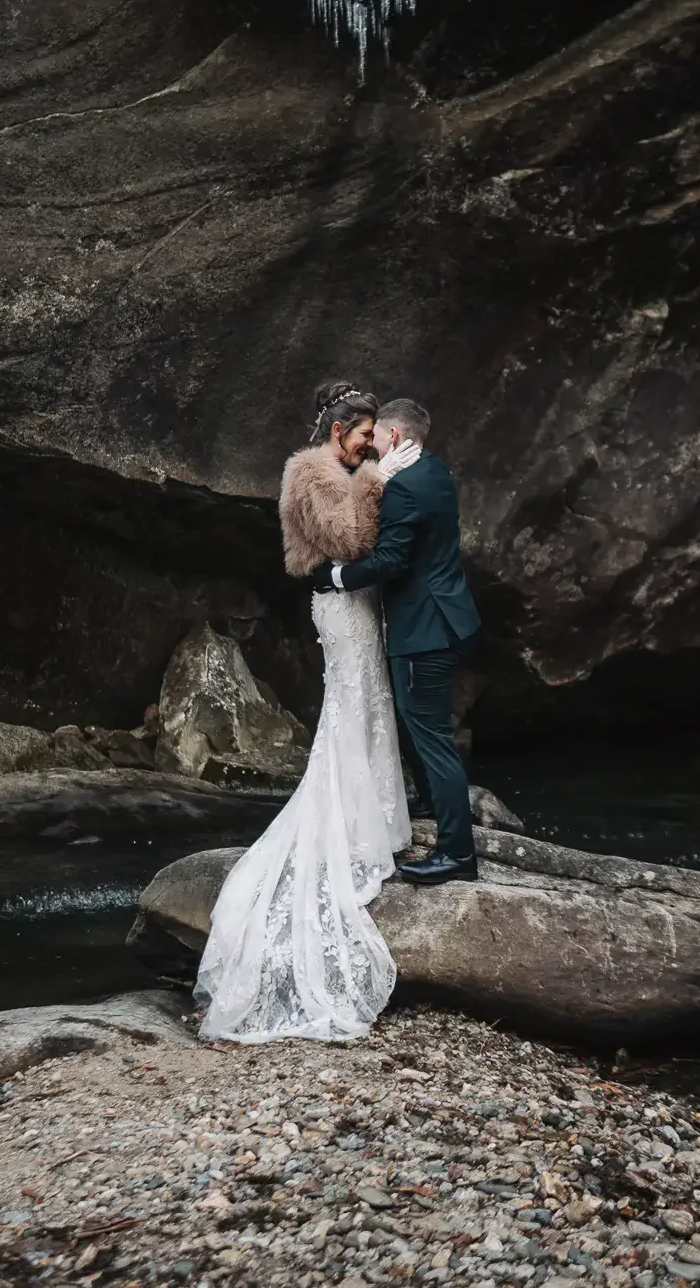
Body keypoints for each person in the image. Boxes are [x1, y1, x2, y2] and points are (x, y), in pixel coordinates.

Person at [193, 383, 412, 1043]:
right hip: (339, 608)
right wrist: (379, 480)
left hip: (359, 603)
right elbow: (349, 540)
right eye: (364, 433)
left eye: (374, 434)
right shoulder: (309, 474)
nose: (370, 442)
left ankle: (373, 810)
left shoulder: (340, 469)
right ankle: (344, 818)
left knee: (372, 702)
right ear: (339, 430)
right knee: (350, 705)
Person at [319, 397, 484, 884]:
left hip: (424, 632)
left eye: (377, 439)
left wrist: (338, 576)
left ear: (394, 437)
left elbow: (391, 560)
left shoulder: (405, 487)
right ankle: (436, 813)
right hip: (448, 619)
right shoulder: (434, 471)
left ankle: (457, 854)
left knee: (433, 740)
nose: (371, 449)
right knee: (423, 731)